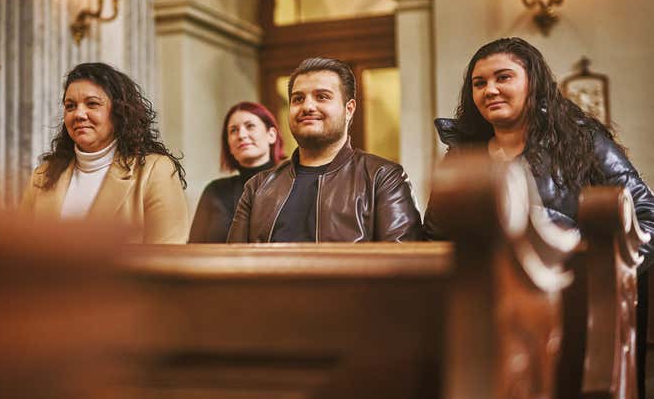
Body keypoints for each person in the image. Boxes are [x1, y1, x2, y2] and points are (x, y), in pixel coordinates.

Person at [423, 37, 654, 266]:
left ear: (532, 83)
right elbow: (435, 237)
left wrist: (595, 274)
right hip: (484, 296)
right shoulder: (461, 156)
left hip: (576, 293)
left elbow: (647, 218)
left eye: (503, 77)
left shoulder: (582, 142)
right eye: (479, 83)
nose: (490, 90)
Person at [227, 57, 423, 243]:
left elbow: (403, 266)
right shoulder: (257, 187)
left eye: (322, 96)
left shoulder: (383, 178)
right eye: (298, 99)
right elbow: (232, 266)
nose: (308, 106)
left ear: (349, 109)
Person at [20, 62, 189, 243]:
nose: (78, 114)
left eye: (92, 104)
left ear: (119, 112)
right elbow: (19, 246)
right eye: (70, 106)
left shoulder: (155, 170)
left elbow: (169, 255)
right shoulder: (43, 174)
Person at [189, 102, 286, 242]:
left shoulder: (292, 185)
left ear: (271, 135)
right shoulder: (215, 191)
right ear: (228, 145)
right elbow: (194, 247)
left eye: (250, 126)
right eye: (233, 130)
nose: (241, 135)